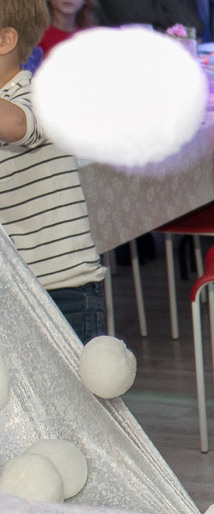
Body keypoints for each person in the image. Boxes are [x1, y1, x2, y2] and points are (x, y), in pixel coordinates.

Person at [0, 0, 106, 344]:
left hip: (64, 293)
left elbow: (18, 124)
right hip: (16, 296)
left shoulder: (41, 95)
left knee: (79, 399)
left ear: (6, 40)